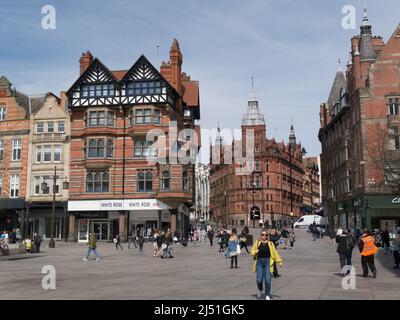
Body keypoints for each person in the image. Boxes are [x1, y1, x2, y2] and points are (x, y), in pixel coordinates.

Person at [251, 229, 282, 300]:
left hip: (268, 262)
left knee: (268, 280)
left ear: (267, 236)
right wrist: (255, 251)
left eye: (265, 235)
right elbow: (252, 251)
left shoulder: (270, 244)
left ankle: (267, 294)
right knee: (259, 280)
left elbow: (275, 253)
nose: (264, 236)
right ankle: (260, 289)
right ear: (260, 235)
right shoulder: (257, 242)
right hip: (259, 262)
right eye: (263, 235)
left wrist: (279, 261)